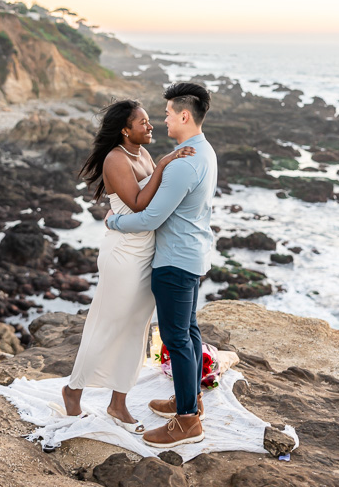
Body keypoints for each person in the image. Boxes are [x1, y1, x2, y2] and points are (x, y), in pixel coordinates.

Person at [58, 99, 195, 433]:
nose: (150, 126)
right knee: (109, 323)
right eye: (143, 122)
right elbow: (136, 203)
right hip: (124, 254)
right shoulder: (115, 159)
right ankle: (72, 391)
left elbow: (158, 197)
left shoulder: (142, 154)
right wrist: (164, 165)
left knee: (137, 328)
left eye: (150, 121)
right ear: (125, 129)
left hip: (149, 251)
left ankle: (118, 403)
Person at [105, 82, 217, 448]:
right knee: (190, 330)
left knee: (177, 338)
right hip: (194, 254)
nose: (164, 119)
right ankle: (191, 400)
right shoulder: (204, 151)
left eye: (168, 113)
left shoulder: (184, 165)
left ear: (184, 115)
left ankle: (187, 421)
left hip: (174, 262)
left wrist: (113, 222)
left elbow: (149, 217)